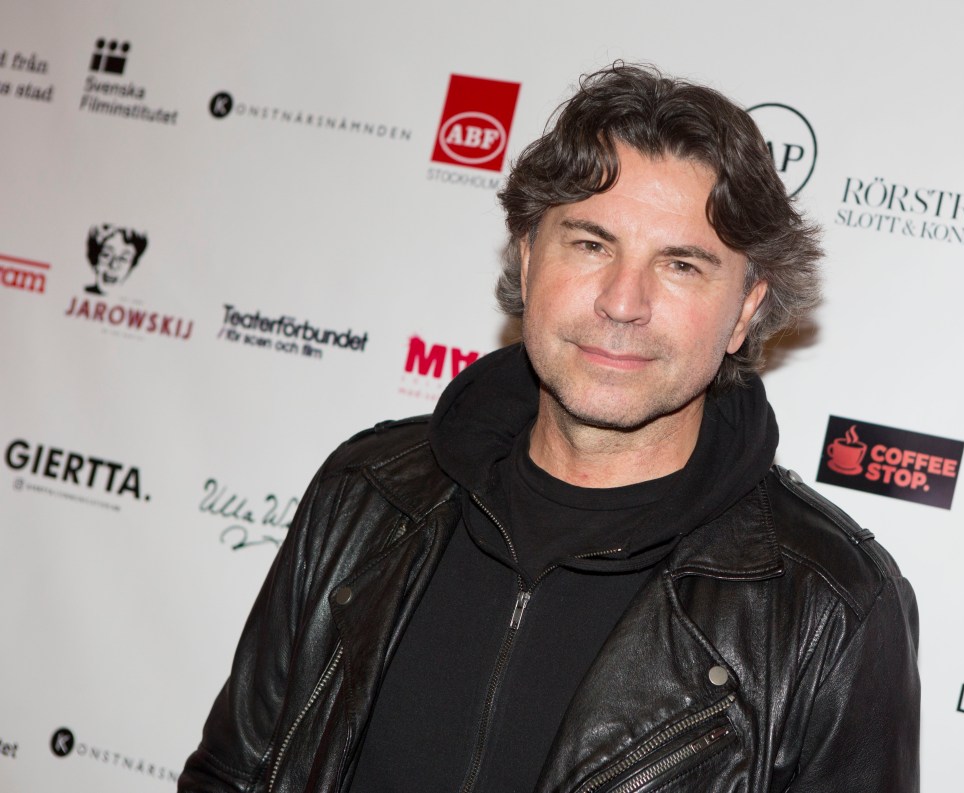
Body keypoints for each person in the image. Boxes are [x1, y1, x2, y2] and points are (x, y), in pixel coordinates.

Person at [180, 63, 920, 793]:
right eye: (591, 244)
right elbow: (234, 775)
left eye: (681, 266)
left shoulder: (830, 604)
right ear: (529, 259)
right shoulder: (367, 493)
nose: (622, 302)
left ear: (746, 311)